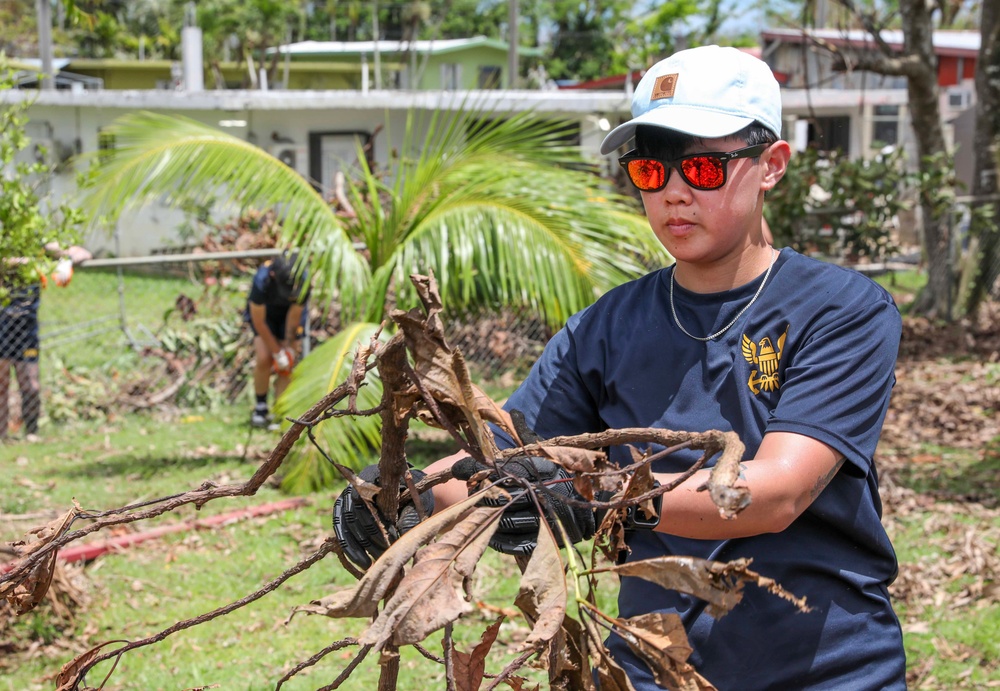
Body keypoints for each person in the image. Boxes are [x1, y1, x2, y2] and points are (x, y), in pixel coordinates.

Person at [334, 45, 906, 689]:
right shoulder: (605, 329)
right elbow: (505, 465)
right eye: (650, 170)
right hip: (653, 668)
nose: (675, 193)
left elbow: (775, 492)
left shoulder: (843, 309)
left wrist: (598, 496)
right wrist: (402, 494)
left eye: (703, 167)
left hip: (825, 669)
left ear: (770, 166)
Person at [1, 243, 92, 441]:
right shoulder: (6, 243)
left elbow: (83, 253)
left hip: (26, 329)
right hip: (2, 325)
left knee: (32, 385)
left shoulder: (37, 246)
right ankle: (2, 435)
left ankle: (32, 432)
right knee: (2, 384)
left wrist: (64, 259)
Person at [245, 252, 309, 429]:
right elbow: (258, 321)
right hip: (265, 317)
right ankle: (260, 407)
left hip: (289, 316)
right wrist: (276, 351)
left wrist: (287, 349)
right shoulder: (261, 280)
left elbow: (294, 316)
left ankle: (280, 413)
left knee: (287, 365)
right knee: (264, 357)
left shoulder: (303, 280)